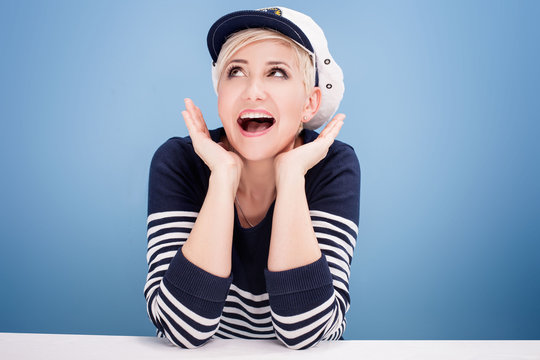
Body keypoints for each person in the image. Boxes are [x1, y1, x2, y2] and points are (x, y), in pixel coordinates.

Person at [144, 6, 360, 350]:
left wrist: (291, 177)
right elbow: (183, 329)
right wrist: (223, 177)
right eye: (236, 71)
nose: (252, 90)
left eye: (277, 72)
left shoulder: (332, 166)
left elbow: (305, 332)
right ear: (220, 96)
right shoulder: (181, 162)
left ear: (309, 103)